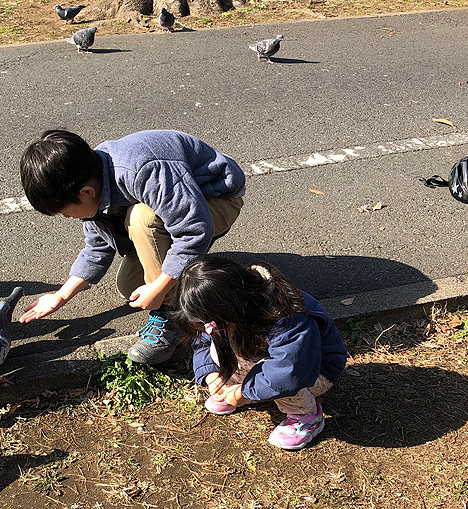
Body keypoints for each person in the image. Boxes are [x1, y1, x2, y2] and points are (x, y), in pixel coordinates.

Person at [18, 129, 246, 364]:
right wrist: (60, 296)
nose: (68, 218)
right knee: (132, 288)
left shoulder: (143, 169)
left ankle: (174, 318)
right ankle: (184, 277)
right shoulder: (91, 177)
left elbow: (194, 229)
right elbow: (97, 247)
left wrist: (160, 290)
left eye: (65, 212)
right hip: (180, 208)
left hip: (217, 198)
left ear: (86, 192)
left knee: (142, 219)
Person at [173, 256, 347, 450]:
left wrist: (245, 393)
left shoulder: (287, 315)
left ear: (231, 308)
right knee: (218, 346)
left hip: (315, 370)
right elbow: (204, 340)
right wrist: (212, 375)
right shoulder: (234, 308)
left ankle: (306, 416)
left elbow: (290, 371)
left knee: (280, 378)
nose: (207, 328)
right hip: (267, 358)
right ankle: (232, 386)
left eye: (212, 323)